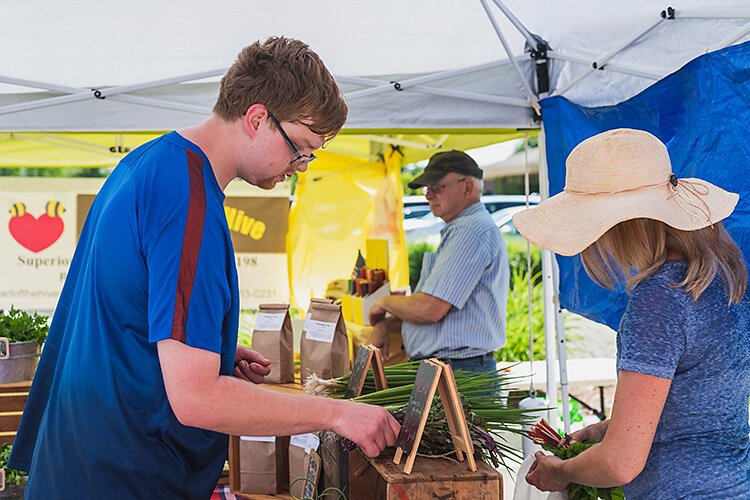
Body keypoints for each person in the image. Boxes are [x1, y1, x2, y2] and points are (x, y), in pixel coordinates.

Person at [8, 37, 400, 499]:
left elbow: (117, 315)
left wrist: (209, 346)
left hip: (79, 462)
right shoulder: (188, 202)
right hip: (124, 474)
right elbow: (196, 399)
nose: (300, 166)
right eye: (301, 148)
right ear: (257, 119)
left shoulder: (149, 164)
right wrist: (336, 414)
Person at [513, 128, 750, 498]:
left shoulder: (659, 299)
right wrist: (607, 429)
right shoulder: (720, 278)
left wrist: (560, 472)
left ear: (619, 225)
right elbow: (694, 409)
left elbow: (620, 463)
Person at [367, 150, 509, 373]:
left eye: (437, 187)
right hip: (456, 367)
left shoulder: (470, 230)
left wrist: (383, 303)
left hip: (460, 370)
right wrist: (387, 324)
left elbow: (429, 309)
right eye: (427, 189)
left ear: (468, 187)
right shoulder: (464, 228)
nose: (428, 195)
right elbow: (441, 317)